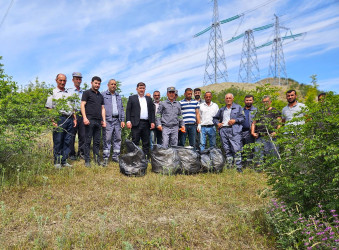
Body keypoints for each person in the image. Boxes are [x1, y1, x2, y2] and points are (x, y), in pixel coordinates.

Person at [45, 73, 77, 169]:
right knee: (58, 140)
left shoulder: (69, 93)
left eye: (64, 81)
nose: (62, 82)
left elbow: (73, 107)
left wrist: (74, 119)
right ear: (56, 80)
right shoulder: (52, 92)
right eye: (60, 80)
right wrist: (53, 121)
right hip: (59, 118)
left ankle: (64, 160)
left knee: (68, 140)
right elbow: (49, 108)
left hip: (69, 118)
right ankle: (57, 162)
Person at [213, 93, 244, 172]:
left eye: (230, 98)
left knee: (236, 149)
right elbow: (215, 118)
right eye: (227, 98)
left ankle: (238, 167)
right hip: (224, 130)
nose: (228, 99)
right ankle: (230, 165)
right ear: (225, 99)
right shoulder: (222, 109)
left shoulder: (238, 107)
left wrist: (235, 120)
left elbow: (243, 118)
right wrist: (218, 123)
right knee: (227, 149)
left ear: (233, 99)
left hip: (234, 130)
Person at [81, 76, 106, 167]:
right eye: (95, 83)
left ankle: (97, 160)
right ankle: (87, 160)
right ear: (91, 83)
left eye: (99, 83)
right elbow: (82, 105)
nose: (97, 85)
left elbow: (102, 108)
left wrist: (103, 120)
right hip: (89, 120)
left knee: (97, 142)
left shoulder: (100, 95)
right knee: (87, 141)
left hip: (98, 121)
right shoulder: (86, 93)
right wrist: (84, 117)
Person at [126, 82, 155, 158]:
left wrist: (152, 122)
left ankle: (145, 158)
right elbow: (128, 110)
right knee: (135, 141)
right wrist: (128, 121)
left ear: (145, 89)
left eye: (143, 88)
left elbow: (152, 111)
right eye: (140, 88)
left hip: (146, 123)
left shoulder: (148, 99)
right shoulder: (132, 98)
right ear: (137, 89)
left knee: (146, 142)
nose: (141, 90)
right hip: (136, 123)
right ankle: (134, 158)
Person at [251, 96, 281, 166]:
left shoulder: (274, 111)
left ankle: (273, 168)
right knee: (258, 153)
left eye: (267, 101)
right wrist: (252, 132)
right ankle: (259, 169)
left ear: (270, 102)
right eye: (264, 102)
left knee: (273, 153)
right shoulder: (259, 112)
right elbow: (254, 123)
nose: (265, 103)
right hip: (260, 136)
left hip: (271, 136)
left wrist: (276, 132)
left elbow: (279, 123)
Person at [102, 79, 125, 165]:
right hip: (108, 120)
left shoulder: (118, 96)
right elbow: (101, 108)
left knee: (118, 139)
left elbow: (122, 109)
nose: (113, 85)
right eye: (112, 84)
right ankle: (106, 157)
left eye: (115, 84)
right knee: (107, 139)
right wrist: (103, 119)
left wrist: (122, 120)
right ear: (108, 85)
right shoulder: (103, 95)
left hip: (117, 120)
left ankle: (116, 156)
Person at [68, 72, 85, 160]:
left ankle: (81, 153)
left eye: (80, 79)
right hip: (72, 115)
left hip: (82, 114)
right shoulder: (69, 91)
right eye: (76, 79)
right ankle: (71, 154)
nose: (78, 80)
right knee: (72, 135)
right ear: (73, 80)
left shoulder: (84, 92)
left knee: (82, 135)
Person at [242, 95, 257, 167]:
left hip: (250, 132)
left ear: (252, 101)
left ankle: (249, 165)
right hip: (240, 132)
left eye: (250, 100)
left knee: (250, 149)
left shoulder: (256, 110)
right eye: (247, 100)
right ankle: (242, 164)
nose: (248, 102)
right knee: (241, 149)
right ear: (244, 101)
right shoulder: (241, 110)